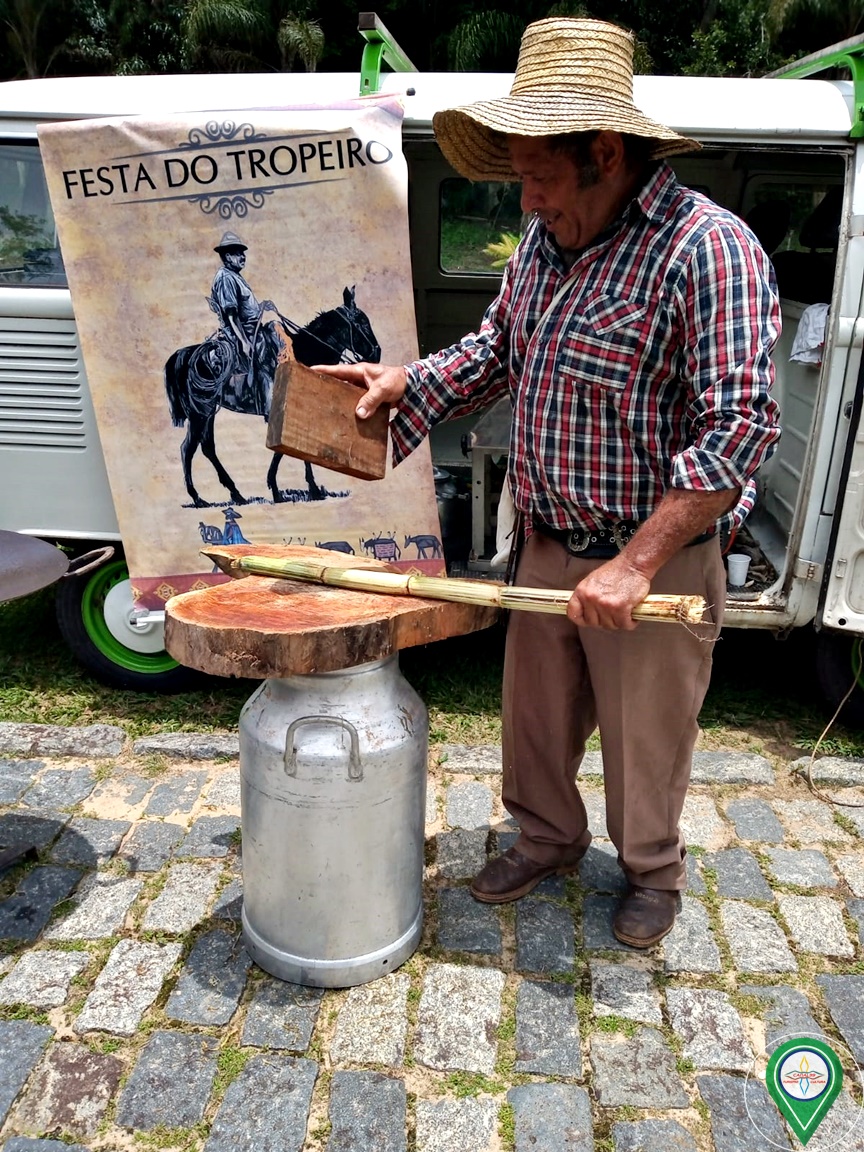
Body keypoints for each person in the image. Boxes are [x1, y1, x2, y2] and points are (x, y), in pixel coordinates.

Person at [315, 17, 781, 948]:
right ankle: (547, 838)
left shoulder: (707, 250)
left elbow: (741, 430)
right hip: (545, 541)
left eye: (538, 176)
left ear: (605, 153)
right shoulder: (543, 243)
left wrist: (636, 565)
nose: (525, 198)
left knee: (647, 736)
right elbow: (498, 348)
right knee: (534, 721)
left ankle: (651, 871)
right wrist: (407, 382)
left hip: (655, 562)